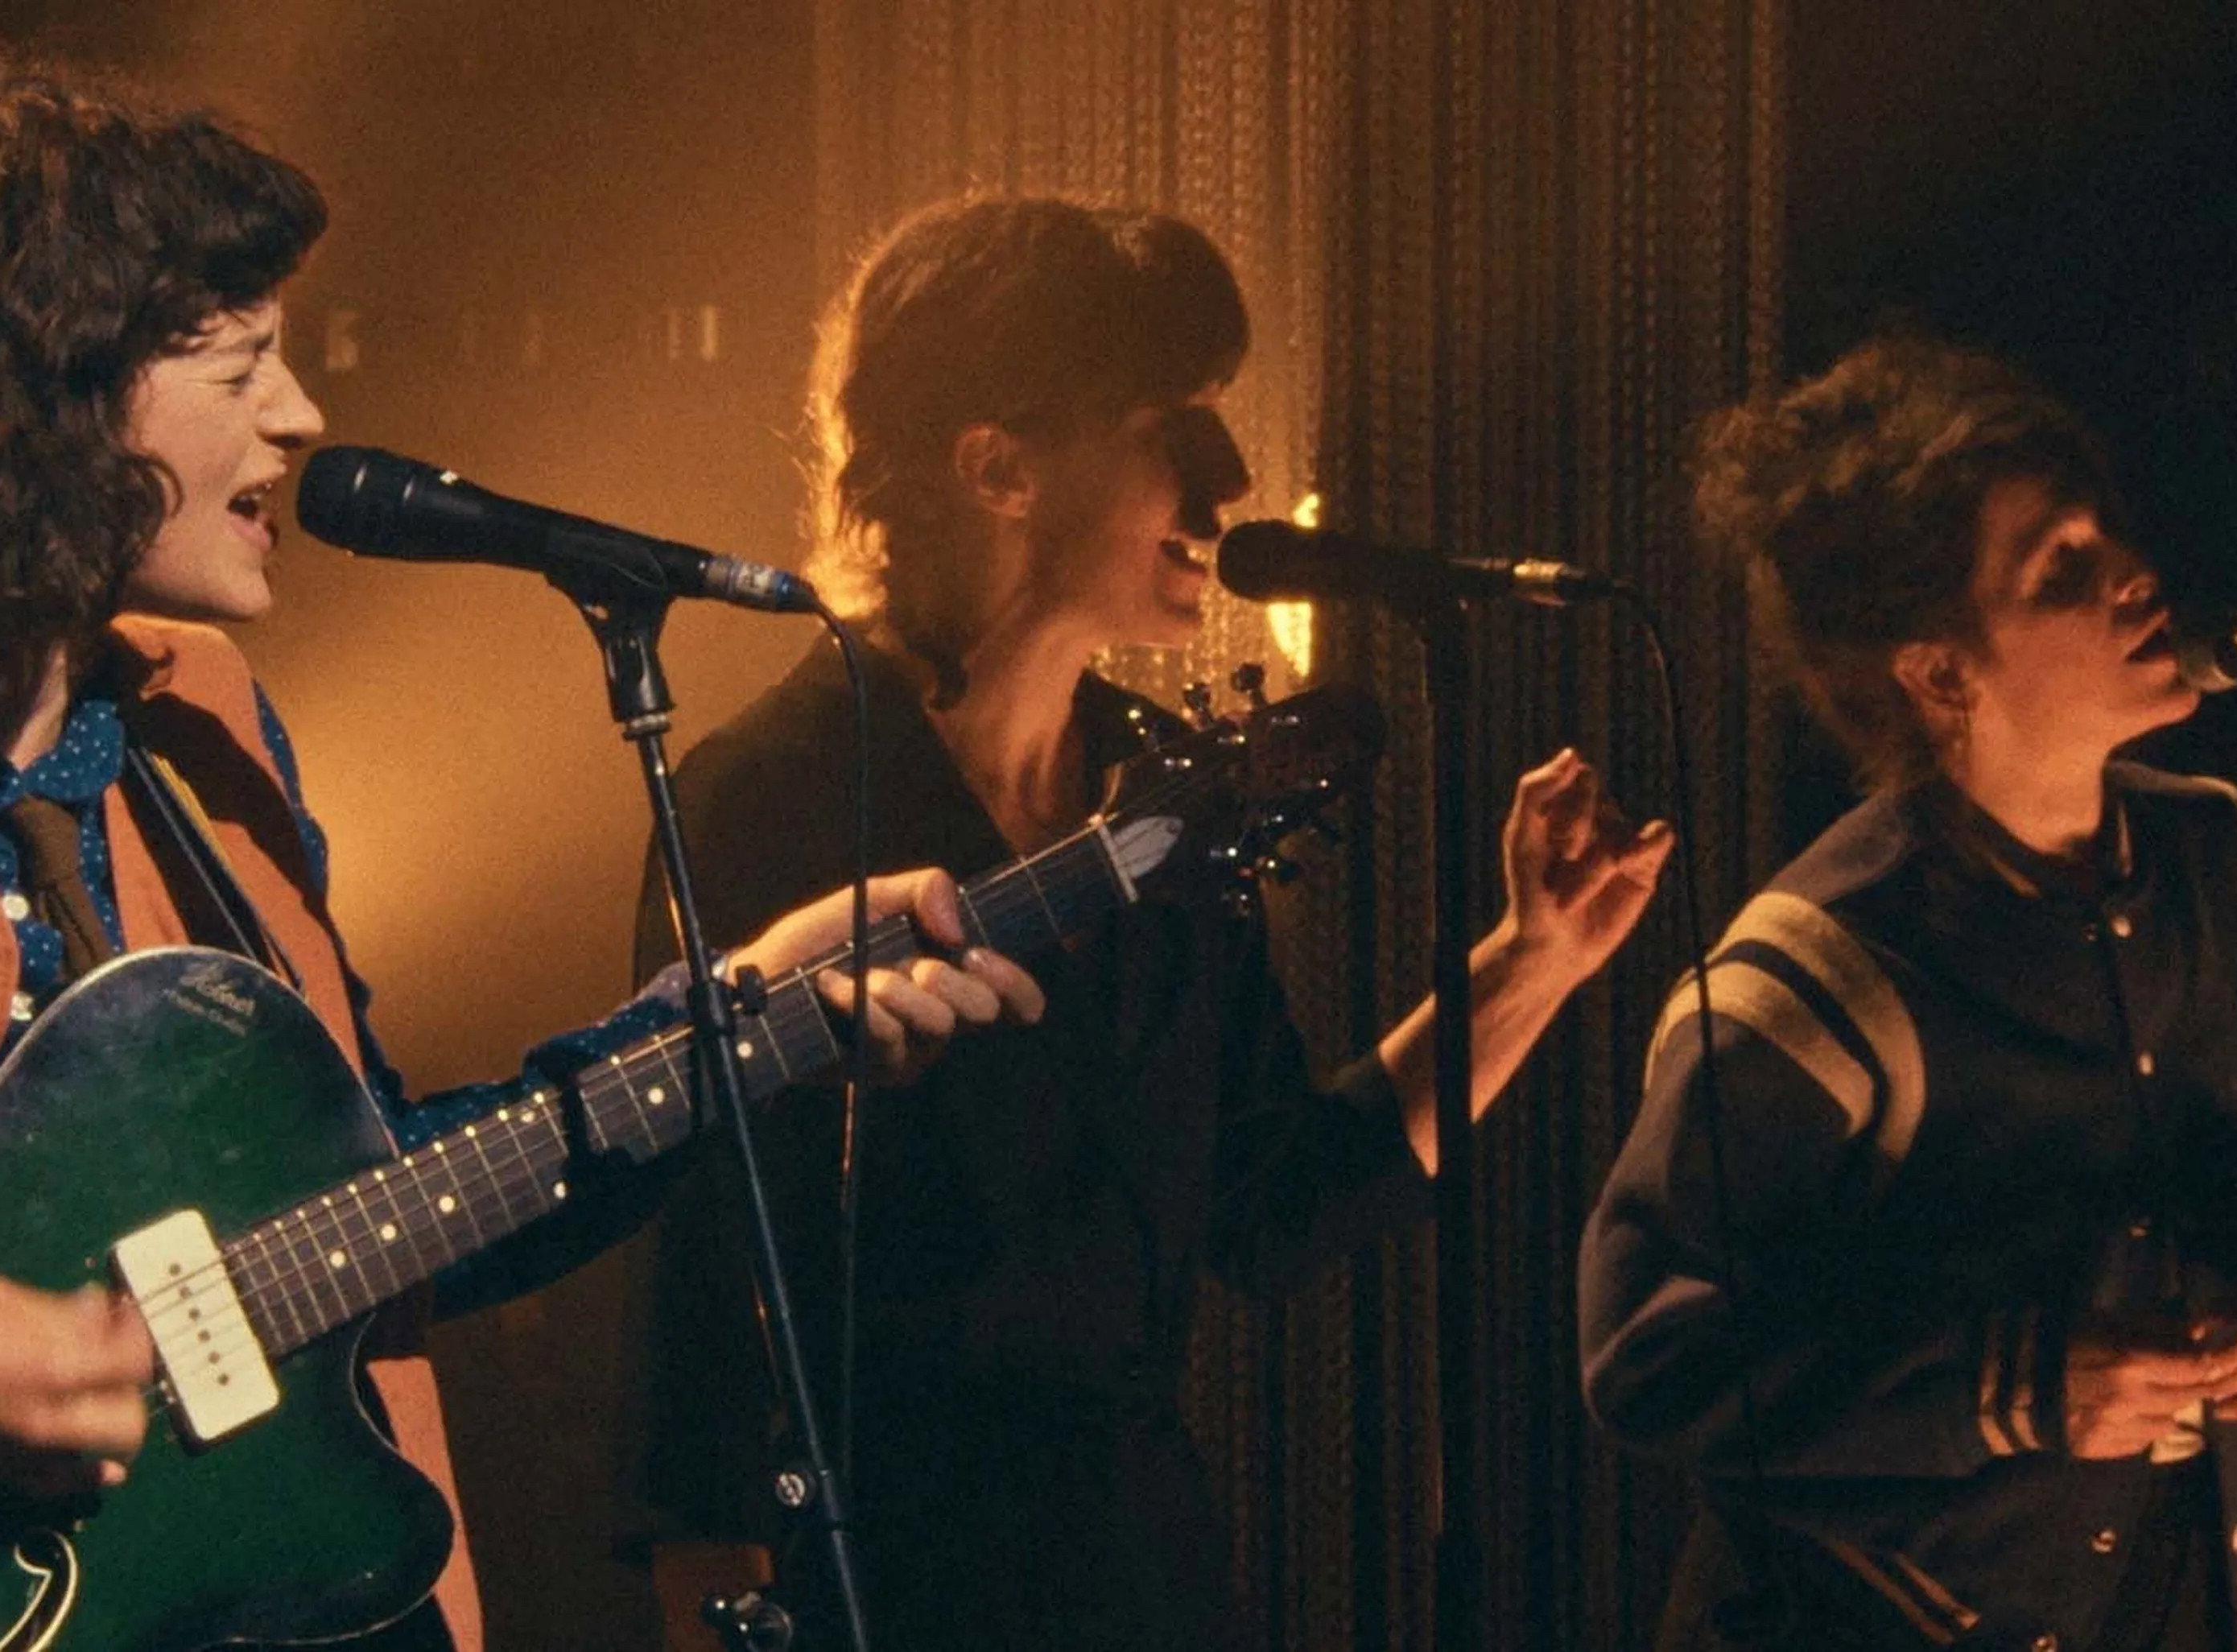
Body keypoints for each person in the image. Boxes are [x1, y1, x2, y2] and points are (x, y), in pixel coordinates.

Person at [0, 61, 1036, 1652]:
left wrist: (730, 1021)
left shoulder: (206, 736)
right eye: (241, 365)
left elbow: (363, 1204)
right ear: (33, 395)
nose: (302, 417)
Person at [632, 194, 1675, 1652]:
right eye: (1171, 427)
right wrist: (713, 1590)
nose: (1230, 483)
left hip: (1136, 1569)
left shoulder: (1169, 794)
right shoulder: (771, 794)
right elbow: (694, 1275)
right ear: (998, 465)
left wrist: (1532, 963)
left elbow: (1275, 1202)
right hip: (877, 1574)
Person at [1579, 336, 2237, 1651]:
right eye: (2062, 571)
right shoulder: (1821, 973)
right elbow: (1651, 1349)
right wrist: (2012, 1385)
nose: (2136, 574)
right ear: (1938, 671)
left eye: (2107, 537)